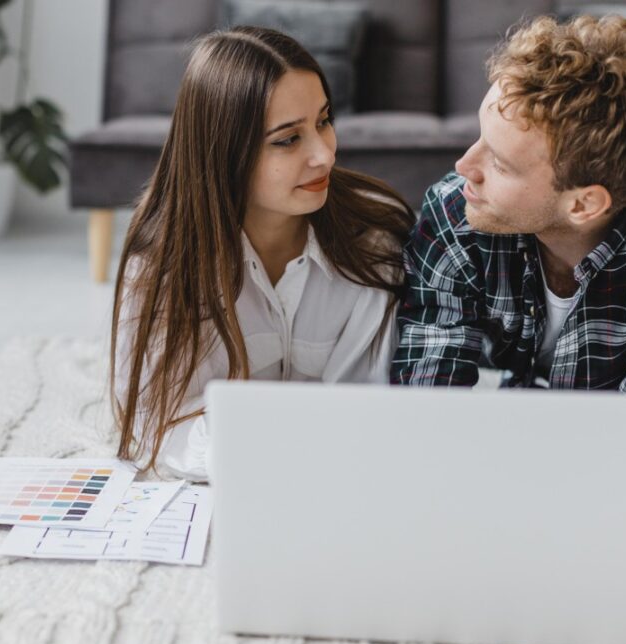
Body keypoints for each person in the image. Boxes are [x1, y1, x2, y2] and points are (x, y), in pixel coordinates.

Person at [392, 14, 626, 451]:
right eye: (481, 135)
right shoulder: (456, 209)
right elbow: (426, 412)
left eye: (501, 164)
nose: (464, 167)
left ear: (584, 204)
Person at [111, 26, 414, 481]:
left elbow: (366, 407)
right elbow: (158, 427)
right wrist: (268, 456)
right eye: (287, 139)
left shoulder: (373, 242)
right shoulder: (162, 265)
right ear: (224, 153)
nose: (324, 155)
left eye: (324, 121)